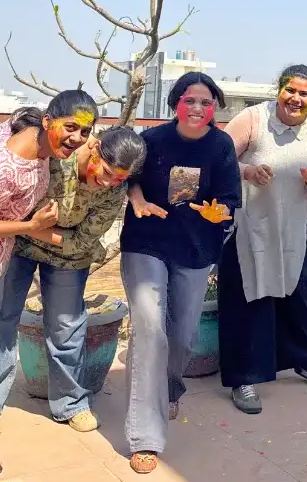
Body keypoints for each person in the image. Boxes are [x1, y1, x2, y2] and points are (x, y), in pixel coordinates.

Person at [0, 121, 145, 436]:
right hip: (16, 244)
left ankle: (71, 402)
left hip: (67, 255)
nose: (108, 182)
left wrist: (35, 228)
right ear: (95, 147)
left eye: (120, 179)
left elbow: (84, 241)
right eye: (107, 171)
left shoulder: (114, 192)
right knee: (3, 319)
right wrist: (25, 229)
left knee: (66, 326)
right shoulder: (58, 156)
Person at [0, 91, 96, 475]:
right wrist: (30, 226)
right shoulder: (3, 166)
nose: (76, 138)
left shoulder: (32, 142)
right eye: (70, 127)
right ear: (47, 121)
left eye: (85, 131)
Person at [119, 72, 241, 475]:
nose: (197, 108)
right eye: (190, 100)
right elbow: (129, 179)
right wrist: (137, 199)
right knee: (151, 330)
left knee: (183, 336)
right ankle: (145, 436)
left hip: (195, 248)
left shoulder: (221, 146)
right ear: (176, 103)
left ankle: (170, 386)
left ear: (213, 110)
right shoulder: (151, 140)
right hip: (147, 242)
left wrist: (217, 211)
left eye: (206, 103)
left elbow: (228, 200)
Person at [219, 64, 307, 414]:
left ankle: (304, 358)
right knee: (248, 298)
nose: (296, 99)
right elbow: (219, 157)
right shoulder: (252, 119)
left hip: (292, 226)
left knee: (295, 295)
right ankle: (243, 377)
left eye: (304, 93)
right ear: (278, 90)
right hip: (249, 223)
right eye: (291, 90)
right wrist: (248, 171)